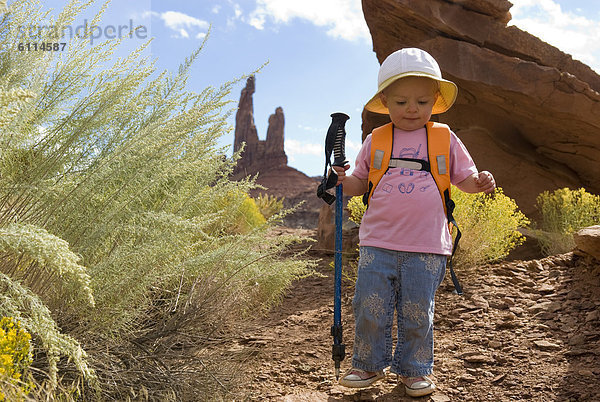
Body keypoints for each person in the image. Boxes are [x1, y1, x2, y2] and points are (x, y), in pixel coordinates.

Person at [334, 48, 495, 397]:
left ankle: (414, 370)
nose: (411, 109)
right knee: (370, 305)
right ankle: (368, 364)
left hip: (427, 245)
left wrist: (478, 183)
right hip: (378, 240)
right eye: (402, 101)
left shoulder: (444, 137)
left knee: (417, 310)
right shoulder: (376, 139)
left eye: (421, 102)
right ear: (385, 101)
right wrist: (340, 182)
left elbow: (463, 179)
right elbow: (359, 183)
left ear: (435, 101)